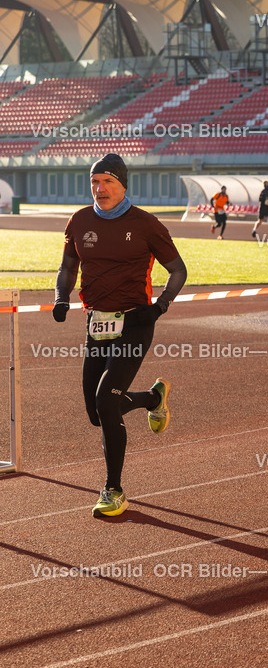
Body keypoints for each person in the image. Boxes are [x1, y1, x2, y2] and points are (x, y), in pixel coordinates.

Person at [53, 154, 188, 518]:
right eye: (95, 182)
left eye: (108, 181)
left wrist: (159, 306)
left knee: (106, 401)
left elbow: (178, 270)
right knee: (96, 411)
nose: (100, 189)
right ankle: (152, 397)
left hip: (135, 322)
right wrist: (60, 298)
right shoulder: (79, 220)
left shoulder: (145, 223)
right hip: (97, 324)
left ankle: (114, 489)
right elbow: (68, 265)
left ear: (124, 184)